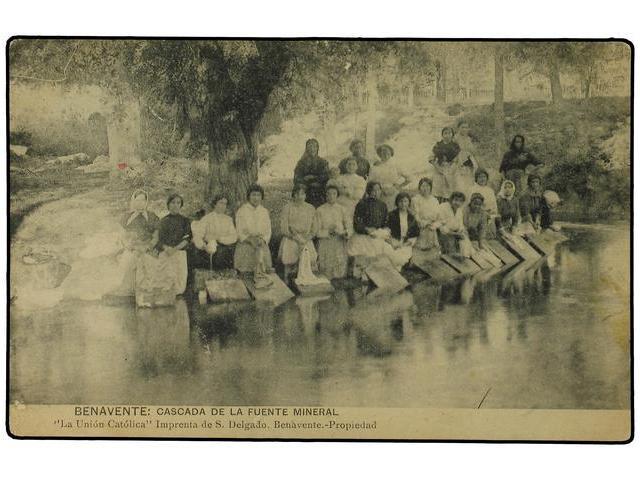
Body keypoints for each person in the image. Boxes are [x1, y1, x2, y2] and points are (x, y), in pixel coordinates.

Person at [347, 182, 409, 270]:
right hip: (364, 236)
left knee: (392, 254)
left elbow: (385, 223)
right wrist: (367, 229)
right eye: (373, 190)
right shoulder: (362, 204)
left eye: (378, 190)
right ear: (369, 191)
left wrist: (384, 230)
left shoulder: (383, 205)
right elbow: (357, 223)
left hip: (378, 235)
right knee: (368, 256)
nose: (376, 192)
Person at [141, 193, 191, 296]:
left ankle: (176, 290)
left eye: (178, 203)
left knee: (178, 285)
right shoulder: (163, 221)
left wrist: (175, 249)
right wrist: (166, 248)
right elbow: (159, 240)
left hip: (179, 252)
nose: (175, 205)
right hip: (166, 252)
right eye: (173, 202)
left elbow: (187, 239)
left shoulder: (185, 221)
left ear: (181, 205)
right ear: (168, 205)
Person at [112, 190, 160, 296]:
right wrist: (129, 246)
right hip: (132, 248)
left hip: (147, 248)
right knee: (128, 262)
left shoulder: (152, 216)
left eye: (143, 200)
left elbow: (156, 236)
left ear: (146, 202)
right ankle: (129, 291)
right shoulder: (127, 217)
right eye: (137, 200)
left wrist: (148, 247)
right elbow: (122, 236)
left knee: (149, 265)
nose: (140, 203)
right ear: (133, 201)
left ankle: (147, 291)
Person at [278, 184, 318, 280]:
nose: (300, 197)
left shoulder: (311, 208)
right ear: (293, 195)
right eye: (297, 194)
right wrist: (295, 237)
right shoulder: (287, 208)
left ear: (305, 195)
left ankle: (305, 288)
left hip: (306, 240)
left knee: (307, 263)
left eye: (302, 194)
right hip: (291, 239)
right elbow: (284, 228)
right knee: (290, 263)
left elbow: (315, 228)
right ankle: (289, 285)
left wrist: (306, 239)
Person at [234, 184, 273, 280]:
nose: (256, 198)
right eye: (253, 195)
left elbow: (268, 230)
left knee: (261, 273)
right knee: (246, 275)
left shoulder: (264, 211)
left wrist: (263, 240)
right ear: (249, 196)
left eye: (258, 195)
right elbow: (239, 231)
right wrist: (250, 240)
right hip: (246, 246)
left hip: (260, 245)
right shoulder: (242, 211)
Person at [314, 184, 352, 279]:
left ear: (337, 195)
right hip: (325, 241)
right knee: (326, 265)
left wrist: (344, 232)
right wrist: (328, 232)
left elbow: (349, 226)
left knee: (340, 264)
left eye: (334, 194)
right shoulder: (320, 210)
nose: (331, 196)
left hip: (339, 240)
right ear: (325, 195)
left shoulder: (342, 209)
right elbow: (316, 230)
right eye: (329, 194)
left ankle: (339, 282)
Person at [192, 194, 238, 270]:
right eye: (220, 203)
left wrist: (220, 239)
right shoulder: (207, 218)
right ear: (215, 204)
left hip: (224, 248)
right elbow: (197, 235)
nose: (223, 206)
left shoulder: (228, 219)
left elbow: (234, 236)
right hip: (208, 248)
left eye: (225, 204)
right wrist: (203, 246)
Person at [368, 144, 410, 210]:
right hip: (379, 194)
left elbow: (409, 178)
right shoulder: (374, 167)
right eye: (383, 151)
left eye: (387, 151)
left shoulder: (396, 165)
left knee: (392, 214)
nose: (385, 153)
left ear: (391, 153)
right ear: (379, 154)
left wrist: (398, 186)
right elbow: (370, 182)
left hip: (392, 194)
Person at [293, 138, 330, 208]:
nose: (312, 149)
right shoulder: (301, 162)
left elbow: (326, 176)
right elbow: (297, 177)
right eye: (309, 146)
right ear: (306, 148)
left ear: (317, 148)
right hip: (305, 188)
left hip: (319, 189)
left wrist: (313, 177)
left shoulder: (323, 162)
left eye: (314, 146)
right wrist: (304, 181)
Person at [436, 191, 472, 258]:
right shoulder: (443, 207)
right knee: (450, 247)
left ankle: (465, 258)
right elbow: (442, 228)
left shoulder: (459, 210)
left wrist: (461, 231)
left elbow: (461, 225)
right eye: (456, 200)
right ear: (451, 200)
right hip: (443, 234)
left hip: (455, 233)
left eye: (460, 201)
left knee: (466, 242)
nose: (457, 203)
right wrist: (455, 234)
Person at [429, 127, 461, 202]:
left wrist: (450, 169)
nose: (447, 135)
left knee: (449, 189)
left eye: (449, 133)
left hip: (451, 169)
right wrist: (437, 167)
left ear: (452, 134)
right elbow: (431, 158)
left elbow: (457, 159)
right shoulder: (438, 145)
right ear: (442, 135)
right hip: (439, 169)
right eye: (445, 133)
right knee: (438, 190)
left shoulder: (455, 146)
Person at [411, 177, 441, 252]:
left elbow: (437, 216)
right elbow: (416, 215)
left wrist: (433, 223)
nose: (425, 188)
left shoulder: (435, 200)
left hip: (431, 225)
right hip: (420, 225)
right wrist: (422, 222)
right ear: (419, 187)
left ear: (430, 188)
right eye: (423, 186)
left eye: (427, 186)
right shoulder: (415, 199)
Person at [335, 157, 366, 223]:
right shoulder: (340, 178)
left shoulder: (360, 179)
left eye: (353, 164)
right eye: (349, 164)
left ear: (357, 167)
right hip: (340, 204)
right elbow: (337, 190)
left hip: (353, 205)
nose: (351, 166)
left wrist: (346, 190)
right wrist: (351, 190)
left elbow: (358, 195)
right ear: (346, 166)